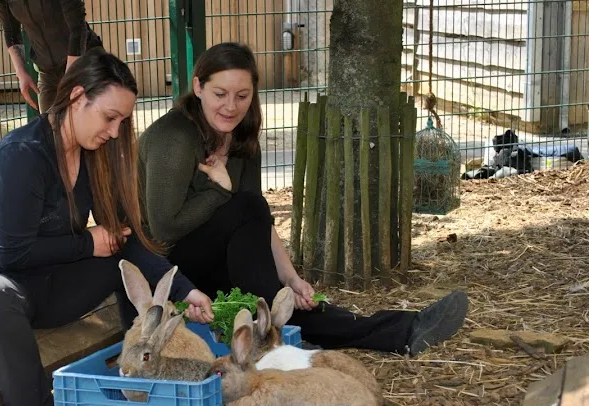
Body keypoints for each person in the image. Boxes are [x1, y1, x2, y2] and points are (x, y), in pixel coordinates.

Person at [0, 49, 214, 406]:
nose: (115, 130)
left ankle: (143, 378)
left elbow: (125, 240)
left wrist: (185, 289)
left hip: (45, 285)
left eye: (123, 120)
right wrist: (87, 243)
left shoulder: (95, 155)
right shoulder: (23, 156)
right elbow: (11, 254)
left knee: (121, 262)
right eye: (109, 117)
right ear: (75, 98)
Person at [137, 42, 469, 357]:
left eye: (242, 95)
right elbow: (165, 230)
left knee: (285, 296)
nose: (231, 106)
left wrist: (291, 279)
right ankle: (396, 331)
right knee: (264, 272)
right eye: (219, 94)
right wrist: (218, 191)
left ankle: (402, 331)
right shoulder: (175, 137)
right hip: (170, 275)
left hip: (215, 261)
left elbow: (256, 222)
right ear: (198, 87)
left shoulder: (240, 136)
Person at [0, 0, 104, 113]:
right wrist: (21, 72)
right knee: (49, 127)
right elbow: (11, 33)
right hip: (48, 73)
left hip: (84, 64)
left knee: (90, 124)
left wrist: (70, 76)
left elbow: (77, 28)